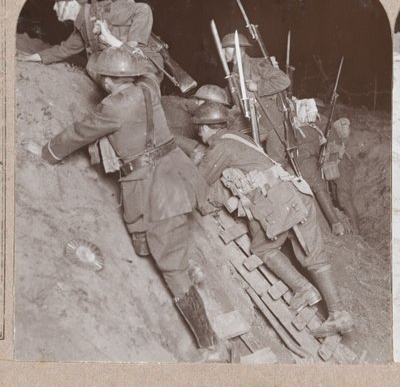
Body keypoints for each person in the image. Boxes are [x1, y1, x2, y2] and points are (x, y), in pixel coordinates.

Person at [22, 47, 220, 359]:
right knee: (146, 243)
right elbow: (152, 74)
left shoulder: (112, 107)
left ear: (110, 81)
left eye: (103, 76)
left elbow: (78, 133)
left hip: (155, 187)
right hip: (179, 171)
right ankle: (183, 260)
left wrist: (46, 152)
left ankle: (210, 346)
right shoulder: (148, 89)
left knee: (171, 268)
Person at [191, 101, 354, 337]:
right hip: (297, 195)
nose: (199, 133)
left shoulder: (221, 148)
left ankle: (304, 289)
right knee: (314, 257)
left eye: (200, 128)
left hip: (280, 205)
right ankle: (339, 314)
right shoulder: (238, 138)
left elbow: (198, 181)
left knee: (263, 249)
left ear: (208, 127)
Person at [17, 0, 163, 84]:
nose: (54, 8)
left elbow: (143, 9)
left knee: (94, 63)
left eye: (58, 3)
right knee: (93, 63)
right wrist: (28, 58)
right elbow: (62, 51)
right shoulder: (82, 28)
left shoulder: (102, 11)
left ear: (72, 3)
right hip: (128, 71)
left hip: (146, 65)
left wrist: (131, 47)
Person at [220, 32, 291, 164]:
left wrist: (257, 86)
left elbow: (284, 80)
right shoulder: (233, 75)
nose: (223, 51)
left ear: (238, 50)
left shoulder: (256, 65)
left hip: (272, 122)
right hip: (252, 123)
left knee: (276, 162)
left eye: (226, 48)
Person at [292, 98, 346, 236]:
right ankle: (335, 225)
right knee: (320, 190)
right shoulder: (313, 131)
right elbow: (321, 142)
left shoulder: (295, 129)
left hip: (295, 165)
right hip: (307, 164)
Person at [327, 118, 360, 233]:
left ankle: (357, 233)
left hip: (342, 164)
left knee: (344, 198)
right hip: (335, 165)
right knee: (338, 198)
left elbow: (345, 130)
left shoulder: (329, 124)